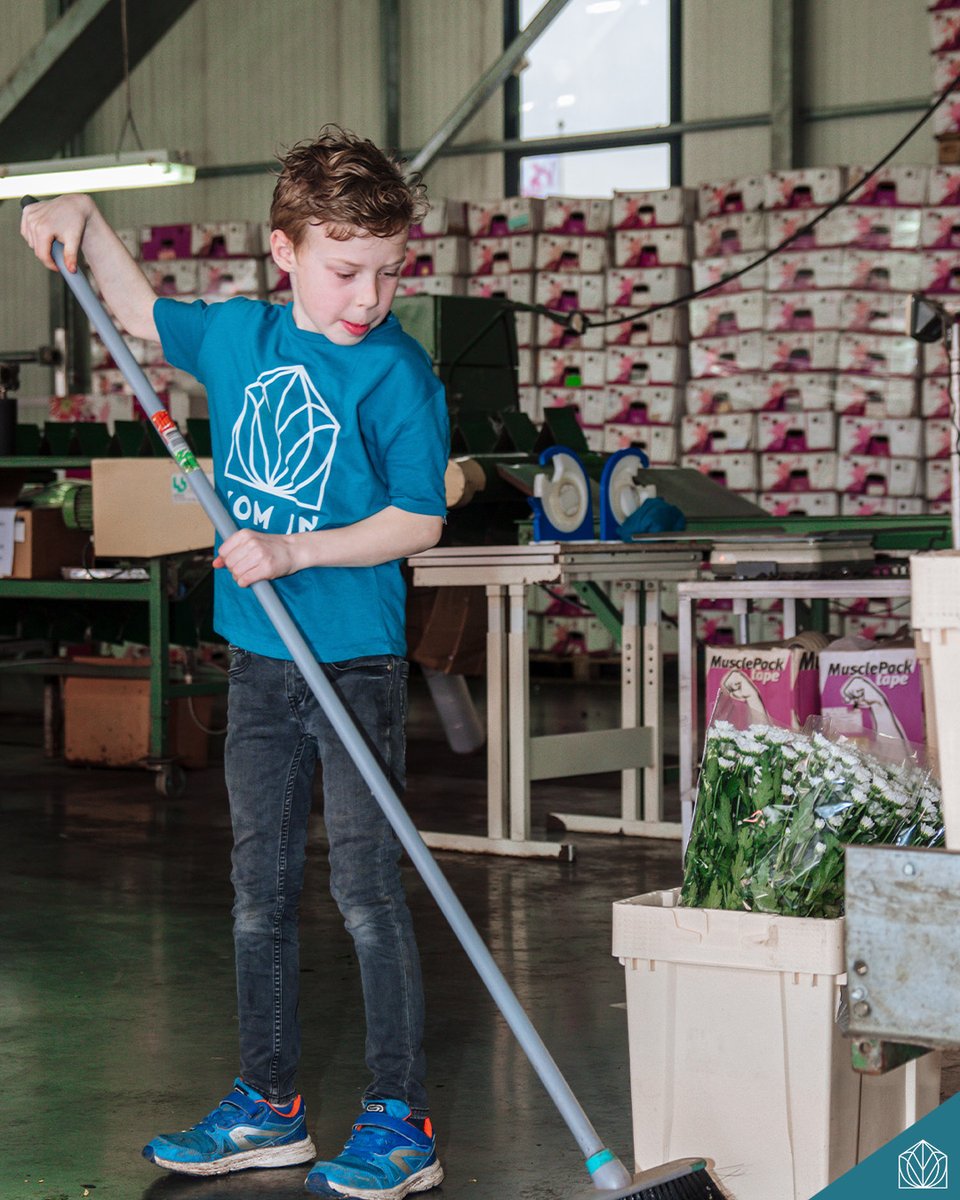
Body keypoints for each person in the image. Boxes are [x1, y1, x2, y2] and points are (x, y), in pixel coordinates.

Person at [21, 125, 449, 1200]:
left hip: (352, 661)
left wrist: (298, 547)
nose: (370, 295)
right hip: (261, 665)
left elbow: (420, 519)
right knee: (257, 891)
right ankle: (269, 1107)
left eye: (390, 270)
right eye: (348, 270)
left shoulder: (397, 370)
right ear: (286, 252)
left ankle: (402, 1119)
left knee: (365, 893)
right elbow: (136, 314)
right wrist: (86, 225)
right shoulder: (238, 340)